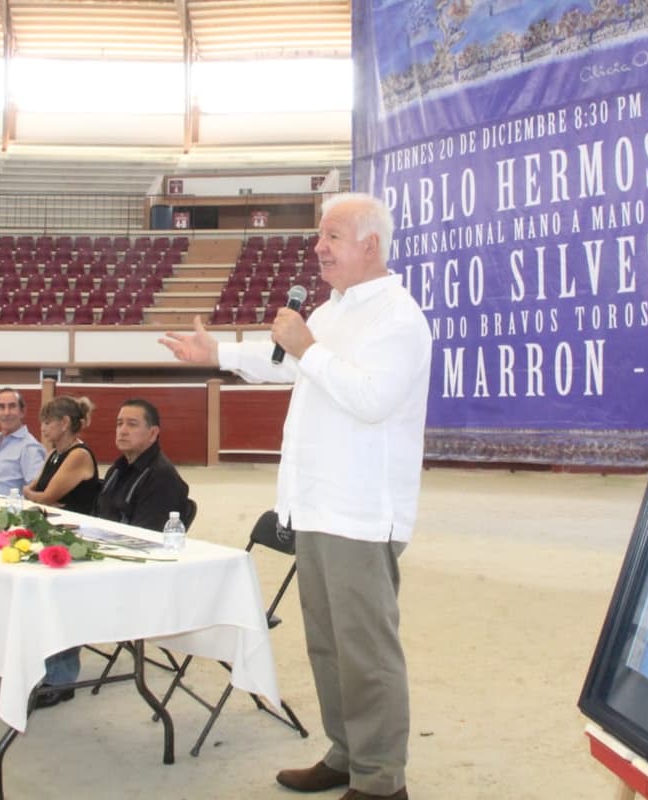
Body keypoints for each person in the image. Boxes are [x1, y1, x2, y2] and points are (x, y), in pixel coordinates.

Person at [160, 192, 431, 800]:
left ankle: (383, 780)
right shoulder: (335, 311)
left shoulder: (398, 317)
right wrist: (220, 354)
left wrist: (309, 347)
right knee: (327, 643)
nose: (318, 247)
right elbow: (286, 363)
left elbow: (370, 399)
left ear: (371, 245)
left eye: (331, 236)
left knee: (367, 651)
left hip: (361, 512)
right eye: (319, 236)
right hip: (314, 504)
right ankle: (346, 754)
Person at [23, 395, 102, 707]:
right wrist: (37, 496)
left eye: (47, 422)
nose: (42, 428)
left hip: (74, 539)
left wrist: (38, 496)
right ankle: (44, 663)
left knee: (56, 599)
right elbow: (34, 490)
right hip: (55, 530)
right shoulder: (55, 454)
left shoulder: (78, 455)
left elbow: (42, 495)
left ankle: (62, 677)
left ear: (65, 423)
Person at [94, 397, 191, 531]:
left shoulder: (162, 477)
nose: (123, 431)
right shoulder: (116, 470)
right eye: (119, 424)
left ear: (152, 433)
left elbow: (147, 536)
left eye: (132, 424)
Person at [0, 387, 46, 495]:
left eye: (12, 406)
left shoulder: (29, 447)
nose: (6, 412)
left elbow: (37, 491)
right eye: (1, 407)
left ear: (22, 412)